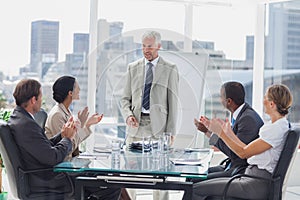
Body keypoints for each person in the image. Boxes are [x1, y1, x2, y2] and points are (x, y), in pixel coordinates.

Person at [9, 79, 121, 200]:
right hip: (49, 181)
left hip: (41, 177)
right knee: (112, 186)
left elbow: (43, 146)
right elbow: (53, 157)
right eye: (40, 97)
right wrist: (67, 138)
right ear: (33, 100)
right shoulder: (27, 125)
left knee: (106, 179)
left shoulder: (19, 120)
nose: (42, 101)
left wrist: (62, 135)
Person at [190, 84, 292, 200]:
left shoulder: (269, 126)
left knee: (195, 189)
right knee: (195, 182)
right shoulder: (275, 125)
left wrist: (220, 133)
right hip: (250, 176)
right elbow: (246, 148)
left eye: (265, 97)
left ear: (272, 104)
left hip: (253, 181)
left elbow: (242, 153)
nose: (263, 100)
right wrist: (223, 133)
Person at [120, 30, 179, 200]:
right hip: (136, 127)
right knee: (130, 174)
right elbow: (125, 99)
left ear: (159, 46)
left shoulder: (170, 69)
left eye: (150, 46)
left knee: (159, 177)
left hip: (159, 128)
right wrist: (128, 115)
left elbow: (173, 103)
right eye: (144, 46)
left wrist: (171, 132)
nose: (146, 50)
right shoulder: (133, 68)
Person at [193, 81, 264, 179]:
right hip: (231, 166)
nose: (220, 99)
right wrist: (209, 130)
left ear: (229, 101)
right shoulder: (238, 114)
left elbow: (235, 153)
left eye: (221, 96)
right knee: (194, 174)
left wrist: (208, 132)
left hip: (240, 171)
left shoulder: (247, 119)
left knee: (195, 179)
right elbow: (229, 142)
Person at [45, 76, 103, 161]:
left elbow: (72, 140)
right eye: (76, 87)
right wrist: (84, 125)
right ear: (70, 93)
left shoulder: (65, 111)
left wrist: (86, 124)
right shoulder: (57, 115)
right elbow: (67, 147)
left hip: (68, 161)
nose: (79, 89)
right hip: (61, 166)